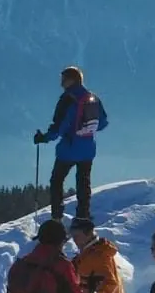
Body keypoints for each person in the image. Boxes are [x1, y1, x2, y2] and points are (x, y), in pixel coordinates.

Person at [34, 67, 107, 223]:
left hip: (68, 149)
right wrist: (86, 130)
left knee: (57, 180)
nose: (61, 83)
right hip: (88, 149)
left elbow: (58, 127)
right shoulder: (92, 98)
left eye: (64, 79)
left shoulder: (67, 99)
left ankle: (57, 217)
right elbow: (103, 123)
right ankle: (83, 216)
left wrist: (44, 138)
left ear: (71, 80)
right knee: (83, 182)